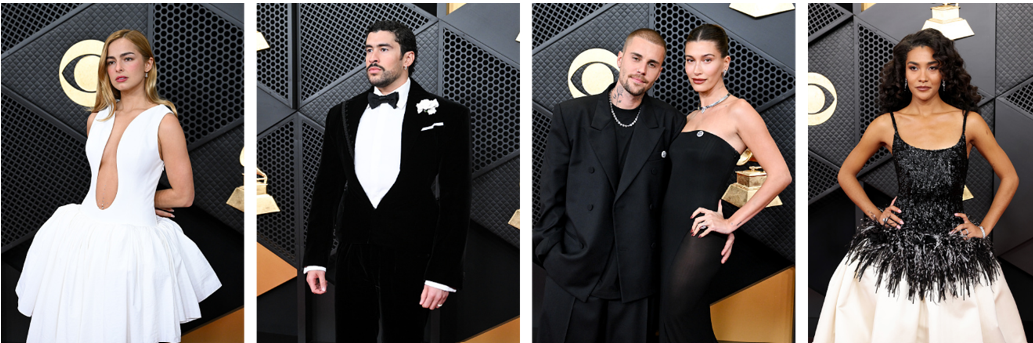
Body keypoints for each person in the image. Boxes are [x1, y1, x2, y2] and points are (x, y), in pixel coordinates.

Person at [813, 28, 1026, 342]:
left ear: (944, 72)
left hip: (955, 247)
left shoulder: (970, 122)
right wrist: (876, 213)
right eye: (914, 67)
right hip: (895, 246)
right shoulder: (887, 124)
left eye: (932, 66)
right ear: (904, 74)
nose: (922, 76)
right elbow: (846, 173)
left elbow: (1010, 176)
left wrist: (983, 229)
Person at [15, 29, 221, 343]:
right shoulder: (96, 118)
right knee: (71, 327)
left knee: (120, 330)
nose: (118, 69)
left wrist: (140, 200)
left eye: (128, 59)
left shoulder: (163, 122)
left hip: (129, 245)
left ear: (148, 64)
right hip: (81, 236)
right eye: (111, 62)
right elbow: (103, 180)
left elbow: (184, 195)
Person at [301, 20, 471, 342]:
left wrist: (442, 273)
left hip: (412, 253)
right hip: (353, 251)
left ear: (408, 58)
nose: (372, 57)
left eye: (383, 49)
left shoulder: (447, 115)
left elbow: (456, 199)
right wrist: (315, 259)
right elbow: (326, 191)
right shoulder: (342, 113)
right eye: (368, 50)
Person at [535, 28, 700, 343]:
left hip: (635, 280)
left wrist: (722, 221)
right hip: (574, 274)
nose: (642, 69)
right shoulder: (572, 116)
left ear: (660, 71)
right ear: (620, 60)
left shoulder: (671, 123)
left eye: (652, 64)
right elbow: (550, 194)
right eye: (636, 59)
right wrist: (553, 256)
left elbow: (684, 192)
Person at [657, 24, 791, 342]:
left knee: (676, 317)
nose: (696, 69)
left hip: (700, 232)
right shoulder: (687, 119)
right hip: (667, 231)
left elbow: (781, 174)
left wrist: (731, 223)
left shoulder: (739, 111)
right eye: (690, 60)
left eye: (707, 60)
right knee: (681, 322)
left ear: (725, 63)